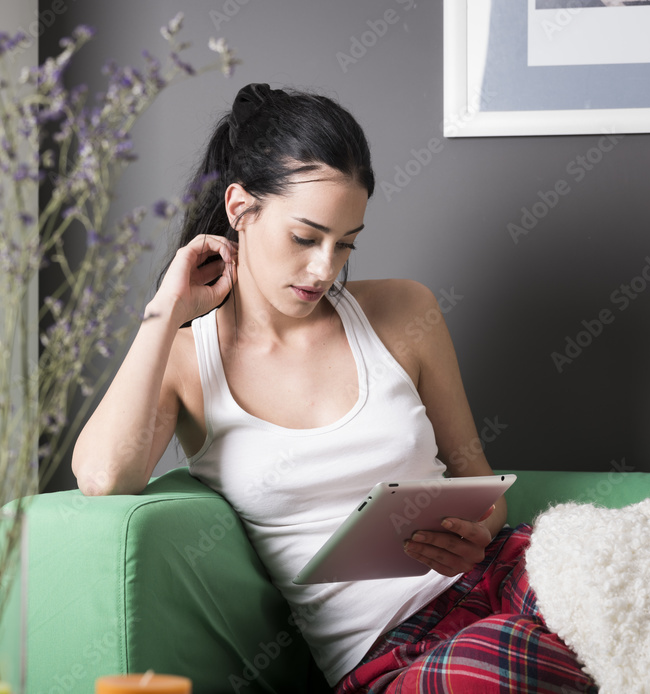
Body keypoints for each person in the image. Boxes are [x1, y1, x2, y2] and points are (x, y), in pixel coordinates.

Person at [72, 83, 595, 692]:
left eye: (346, 243)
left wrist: (477, 533)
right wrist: (166, 310)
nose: (325, 268)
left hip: (500, 578)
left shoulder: (404, 310)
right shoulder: (188, 359)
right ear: (241, 209)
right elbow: (104, 477)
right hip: (391, 655)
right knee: (497, 663)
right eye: (305, 237)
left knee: (623, 574)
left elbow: (475, 474)